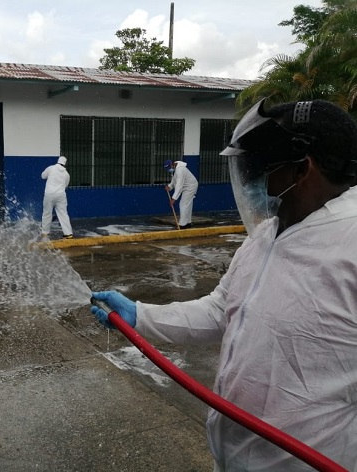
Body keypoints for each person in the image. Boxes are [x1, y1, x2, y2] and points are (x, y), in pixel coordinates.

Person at [91, 98, 357, 471]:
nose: (249, 183)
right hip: (232, 455)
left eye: (258, 170)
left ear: (302, 170)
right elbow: (221, 310)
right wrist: (142, 316)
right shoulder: (267, 233)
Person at [40, 155, 73, 240]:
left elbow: (43, 176)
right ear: (65, 164)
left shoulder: (51, 168)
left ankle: (45, 233)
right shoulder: (67, 174)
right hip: (61, 195)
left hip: (49, 194)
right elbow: (65, 185)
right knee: (63, 214)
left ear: (58, 161)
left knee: (47, 213)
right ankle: (68, 233)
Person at [164, 159, 198, 228]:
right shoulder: (176, 168)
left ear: (171, 165)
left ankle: (182, 224)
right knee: (188, 205)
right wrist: (170, 186)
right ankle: (188, 222)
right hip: (187, 186)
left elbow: (179, 185)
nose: (169, 170)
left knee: (183, 204)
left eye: (168, 168)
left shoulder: (180, 170)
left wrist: (173, 199)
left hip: (190, 186)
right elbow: (174, 180)